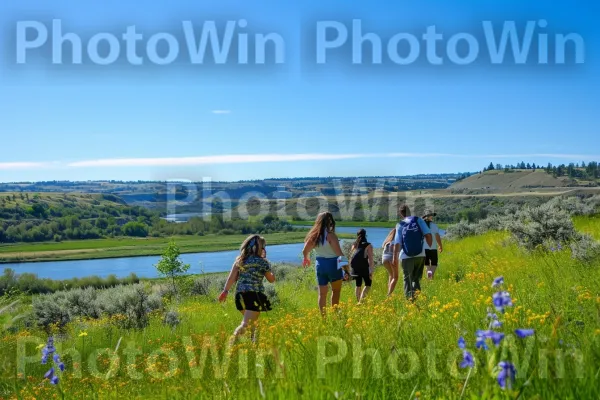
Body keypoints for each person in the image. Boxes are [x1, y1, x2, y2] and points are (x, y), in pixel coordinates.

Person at [219, 234, 275, 343]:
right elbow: (271, 279)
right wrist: (271, 270)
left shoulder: (240, 260)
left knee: (253, 323)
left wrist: (225, 291)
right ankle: (232, 345)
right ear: (260, 248)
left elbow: (231, 278)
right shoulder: (263, 262)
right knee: (246, 324)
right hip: (254, 296)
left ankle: (253, 347)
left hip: (239, 296)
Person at [302, 212, 349, 315]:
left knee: (322, 294)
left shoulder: (314, 236)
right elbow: (340, 255)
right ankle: (335, 313)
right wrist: (346, 270)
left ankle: (323, 318)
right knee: (336, 291)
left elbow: (305, 251)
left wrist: (306, 259)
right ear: (330, 222)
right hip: (333, 265)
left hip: (320, 265)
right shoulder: (331, 236)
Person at [392, 205, 433, 300]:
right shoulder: (418, 220)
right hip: (420, 255)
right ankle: (417, 298)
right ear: (409, 212)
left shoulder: (400, 224)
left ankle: (410, 301)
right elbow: (428, 234)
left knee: (407, 279)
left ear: (400, 214)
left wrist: (394, 257)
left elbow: (397, 243)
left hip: (406, 256)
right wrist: (429, 248)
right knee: (417, 279)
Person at [349, 229, 374, 303]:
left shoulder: (354, 244)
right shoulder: (368, 245)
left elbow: (350, 256)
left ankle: (358, 302)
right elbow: (370, 259)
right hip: (363, 267)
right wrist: (371, 271)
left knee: (358, 284)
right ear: (365, 235)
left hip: (354, 267)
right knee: (368, 284)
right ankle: (361, 302)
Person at [422, 210, 443, 279]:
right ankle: (430, 277)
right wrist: (440, 246)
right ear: (429, 217)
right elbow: (437, 237)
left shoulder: (421, 226)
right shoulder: (434, 226)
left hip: (424, 249)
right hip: (433, 248)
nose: (432, 217)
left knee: (427, 265)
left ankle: (429, 277)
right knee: (434, 264)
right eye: (431, 215)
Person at [381, 228, 398, 296]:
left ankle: (389, 291)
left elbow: (383, 248)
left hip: (384, 258)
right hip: (391, 258)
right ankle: (389, 294)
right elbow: (394, 250)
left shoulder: (387, 241)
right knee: (396, 277)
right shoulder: (396, 241)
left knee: (391, 275)